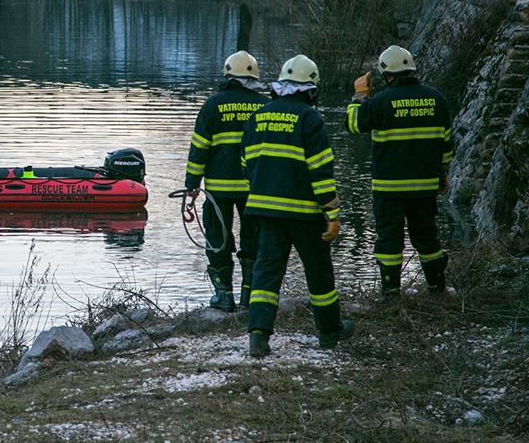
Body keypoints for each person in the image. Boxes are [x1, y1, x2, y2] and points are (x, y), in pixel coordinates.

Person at [242, 55, 354, 358]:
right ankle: (329, 332)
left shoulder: (257, 116)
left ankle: (258, 334)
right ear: (310, 90)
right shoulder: (309, 119)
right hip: (305, 213)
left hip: (265, 211)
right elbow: (321, 171)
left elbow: (246, 164)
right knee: (318, 271)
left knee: (266, 272)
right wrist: (332, 214)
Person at [345, 45, 453, 301]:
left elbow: (353, 124)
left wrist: (360, 96)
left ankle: (391, 294)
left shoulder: (381, 102)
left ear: (386, 75)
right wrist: (442, 174)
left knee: (389, 242)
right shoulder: (436, 99)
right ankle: (438, 288)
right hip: (424, 188)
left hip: (389, 189)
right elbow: (447, 144)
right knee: (427, 238)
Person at [184, 50, 269, 312]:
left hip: (218, 190)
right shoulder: (265, 106)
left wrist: (191, 185)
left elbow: (199, 148)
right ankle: (249, 296)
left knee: (217, 240)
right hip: (255, 189)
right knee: (254, 240)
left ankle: (224, 296)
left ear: (228, 76)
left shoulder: (213, 105)